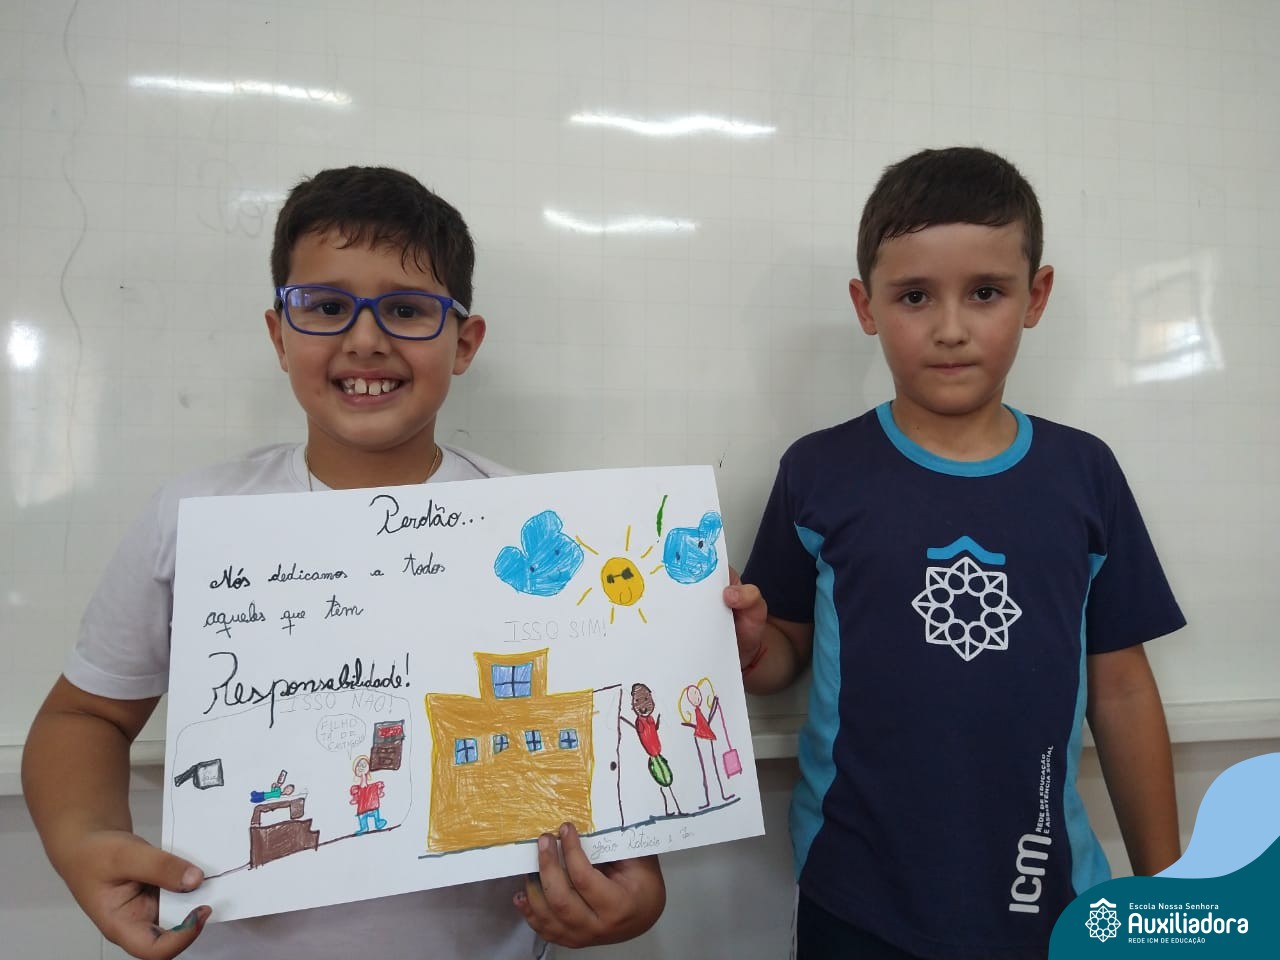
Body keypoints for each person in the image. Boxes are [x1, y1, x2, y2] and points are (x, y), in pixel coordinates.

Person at [22, 166, 665, 959]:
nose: (365, 339)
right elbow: (84, 716)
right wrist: (83, 841)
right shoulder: (194, 516)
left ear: (464, 343)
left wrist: (634, 887)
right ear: (278, 334)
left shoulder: (548, 541)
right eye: (326, 307)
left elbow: (595, 743)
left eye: (407, 309)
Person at [723, 147, 1184, 959]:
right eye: (914, 296)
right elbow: (783, 652)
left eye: (985, 292)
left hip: (1045, 896)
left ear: (1035, 296)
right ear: (866, 305)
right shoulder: (818, 471)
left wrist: (1170, 894)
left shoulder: (1084, 474)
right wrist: (750, 648)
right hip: (855, 900)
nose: (950, 328)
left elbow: (1119, 689)